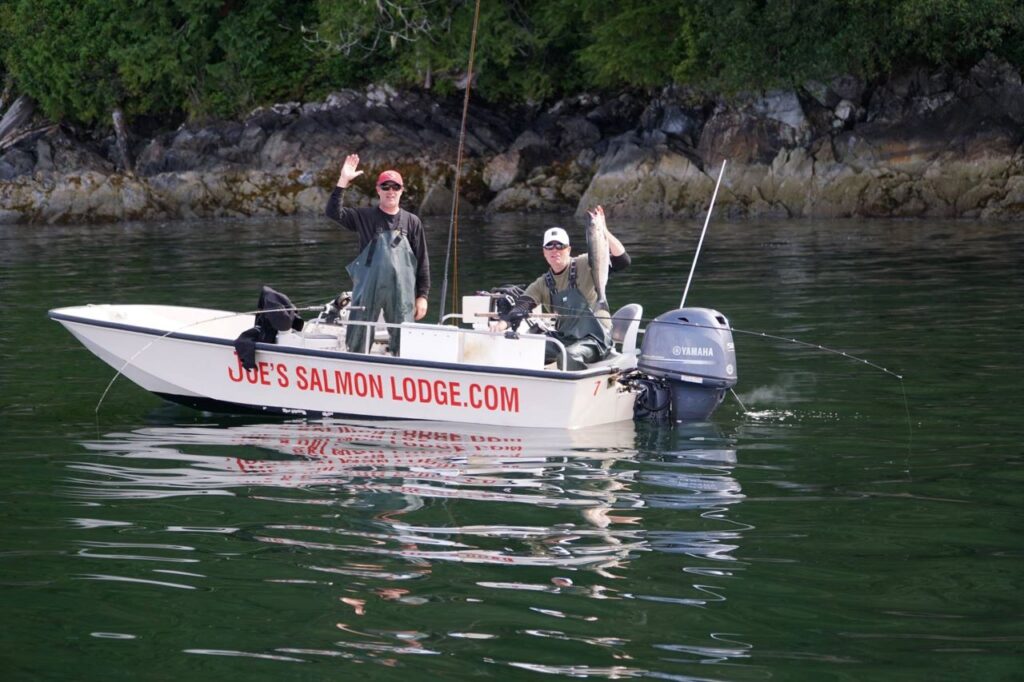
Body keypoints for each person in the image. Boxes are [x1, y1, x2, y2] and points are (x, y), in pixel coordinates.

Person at [492, 206, 630, 370]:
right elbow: (522, 306)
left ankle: (579, 391)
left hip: (596, 339)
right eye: (550, 246)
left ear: (568, 249)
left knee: (569, 355)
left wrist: (603, 230)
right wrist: (501, 324)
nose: (555, 250)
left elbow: (623, 261)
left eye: (560, 246)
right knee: (523, 348)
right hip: (565, 337)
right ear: (544, 252)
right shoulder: (542, 283)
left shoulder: (586, 263)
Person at [325, 153, 429, 354]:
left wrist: (422, 296)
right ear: (378, 190)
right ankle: (356, 369)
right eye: (386, 187)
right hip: (367, 291)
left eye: (395, 187)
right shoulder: (364, 217)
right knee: (358, 339)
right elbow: (332, 212)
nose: (391, 191)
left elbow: (422, 262)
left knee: (405, 343)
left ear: (402, 191)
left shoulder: (412, 222)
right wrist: (343, 180)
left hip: (402, 294)